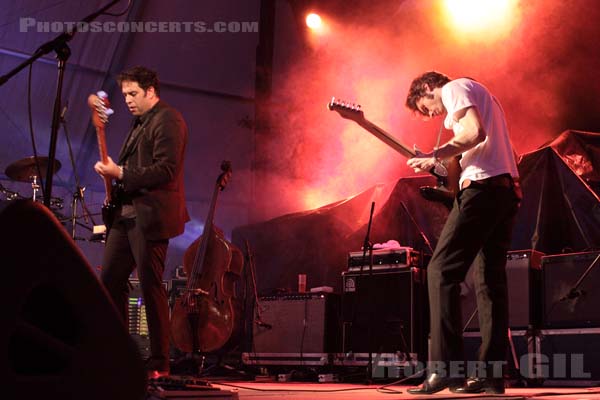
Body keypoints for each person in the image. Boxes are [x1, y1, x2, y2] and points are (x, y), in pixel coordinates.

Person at [404, 71, 521, 395]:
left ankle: (446, 370)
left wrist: (434, 154)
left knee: (440, 271)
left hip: (483, 191)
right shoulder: (484, 96)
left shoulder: (455, 88)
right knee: (489, 285)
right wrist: (439, 170)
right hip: (504, 191)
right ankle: (490, 376)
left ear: (428, 88)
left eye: (425, 107)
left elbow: (474, 133)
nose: (431, 115)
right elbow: (466, 164)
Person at [94, 66, 189, 379]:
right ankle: (121, 354)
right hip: (126, 215)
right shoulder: (139, 123)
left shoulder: (168, 119)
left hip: (151, 217)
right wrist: (113, 171)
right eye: (124, 95)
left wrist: (119, 173)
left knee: (150, 287)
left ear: (151, 91)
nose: (128, 100)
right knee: (110, 281)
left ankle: (159, 361)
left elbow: (166, 170)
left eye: (133, 94)